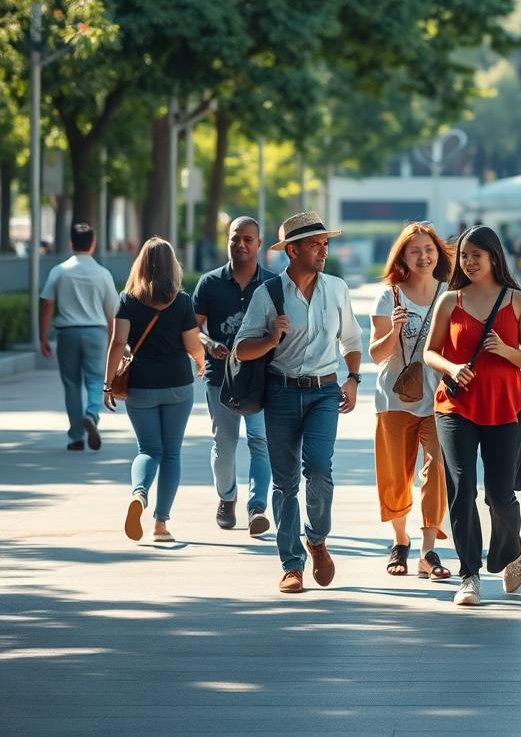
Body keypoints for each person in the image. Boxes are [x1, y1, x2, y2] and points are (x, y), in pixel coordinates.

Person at [234, 211, 362, 594]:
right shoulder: (268, 295)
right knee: (286, 482)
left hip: (325, 391)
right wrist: (271, 339)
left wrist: (353, 379)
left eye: (325, 243)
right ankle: (291, 564)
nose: (323, 250)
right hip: (282, 392)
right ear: (292, 250)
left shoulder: (337, 289)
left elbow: (352, 342)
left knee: (320, 470)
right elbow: (241, 350)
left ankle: (317, 539)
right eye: (314, 244)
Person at [424, 225, 521, 607]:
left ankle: (512, 546)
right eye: (463, 256)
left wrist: (507, 350)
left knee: (500, 496)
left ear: (494, 256)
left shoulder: (517, 301)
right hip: (455, 407)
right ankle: (469, 574)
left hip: (505, 408)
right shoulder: (450, 300)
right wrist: (452, 367)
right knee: (461, 488)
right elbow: (430, 352)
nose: (469, 262)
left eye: (477, 255)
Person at [102, 237, 205, 543]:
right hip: (177, 385)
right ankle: (161, 525)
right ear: (172, 265)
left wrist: (108, 383)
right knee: (171, 453)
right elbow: (192, 346)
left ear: (142, 264)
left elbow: (118, 343)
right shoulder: (183, 301)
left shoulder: (128, 299)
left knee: (148, 449)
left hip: (141, 386)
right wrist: (200, 362)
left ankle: (139, 493)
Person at [368, 222, 452, 581]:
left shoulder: (451, 293)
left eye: (429, 249)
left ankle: (427, 550)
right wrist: (395, 330)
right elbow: (375, 354)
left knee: (436, 472)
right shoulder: (390, 296)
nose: (423, 256)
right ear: (402, 255)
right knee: (395, 477)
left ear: (438, 254)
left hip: (438, 400)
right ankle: (399, 541)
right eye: (415, 250)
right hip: (394, 398)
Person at [192, 216, 275, 536]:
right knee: (224, 446)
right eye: (235, 238)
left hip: (260, 377)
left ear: (259, 244)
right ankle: (226, 499)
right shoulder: (209, 283)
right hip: (220, 378)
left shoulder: (271, 284)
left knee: (260, 442)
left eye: (248, 239)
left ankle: (257, 508)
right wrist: (208, 343)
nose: (240, 244)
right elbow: (193, 328)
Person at [39, 222, 118, 451]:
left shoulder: (59, 271)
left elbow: (46, 304)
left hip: (67, 333)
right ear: (93, 244)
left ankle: (75, 437)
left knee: (72, 384)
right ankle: (91, 414)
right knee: (95, 379)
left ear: (71, 244)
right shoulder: (103, 274)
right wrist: (113, 340)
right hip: (95, 332)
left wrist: (42, 336)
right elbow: (112, 313)